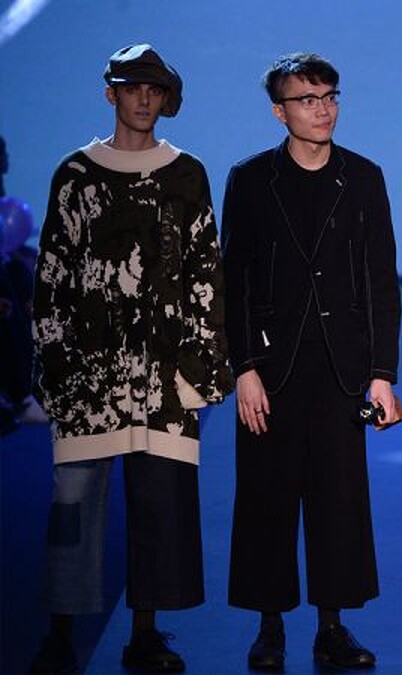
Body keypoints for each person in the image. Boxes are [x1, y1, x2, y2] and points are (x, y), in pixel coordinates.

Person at [28, 44, 233, 673]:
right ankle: (61, 633)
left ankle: (145, 632)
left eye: (154, 89)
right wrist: (55, 366)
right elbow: (53, 274)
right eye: (132, 87)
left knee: (159, 507)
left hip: (164, 375)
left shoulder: (185, 174)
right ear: (110, 93)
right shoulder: (75, 175)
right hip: (87, 371)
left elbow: (206, 272)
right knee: (73, 505)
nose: (144, 98)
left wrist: (202, 367)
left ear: (166, 99)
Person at [221, 52, 402, 672]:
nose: (322, 109)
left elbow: (381, 282)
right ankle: (269, 627)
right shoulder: (251, 180)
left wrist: (382, 374)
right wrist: (243, 367)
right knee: (265, 497)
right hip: (271, 367)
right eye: (306, 99)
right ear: (280, 112)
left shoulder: (364, 178)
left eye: (329, 96)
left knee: (339, 499)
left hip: (342, 366)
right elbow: (235, 281)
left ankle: (332, 626)